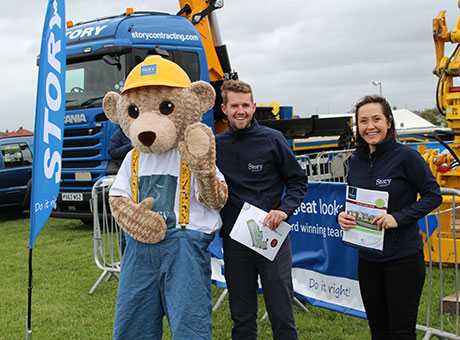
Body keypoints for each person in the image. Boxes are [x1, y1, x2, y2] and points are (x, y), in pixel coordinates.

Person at [337, 95, 442, 340]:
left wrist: (399, 218)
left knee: (401, 333)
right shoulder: (356, 160)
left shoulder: (407, 157)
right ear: (357, 126)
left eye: (376, 119)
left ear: (389, 122)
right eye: (363, 121)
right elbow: (352, 200)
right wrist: (340, 217)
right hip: (368, 260)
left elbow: (432, 195)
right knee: (379, 331)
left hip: (403, 259)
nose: (370, 126)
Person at [215, 79, 308, 340]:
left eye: (245, 105)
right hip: (236, 241)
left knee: (281, 314)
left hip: (271, 237)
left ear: (254, 107)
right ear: (224, 108)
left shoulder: (273, 140)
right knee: (241, 317)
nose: (240, 111)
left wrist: (284, 210)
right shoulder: (216, 145)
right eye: (234, 106)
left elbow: (298, 181)